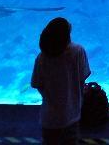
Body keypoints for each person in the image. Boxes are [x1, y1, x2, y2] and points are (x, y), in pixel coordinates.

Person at [31, 17, 91, 145]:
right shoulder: (78, 52)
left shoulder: (41, 58)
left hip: (49, 118)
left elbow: (37, 84)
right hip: (72, 115)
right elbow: (83, 77)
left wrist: (49, 97)